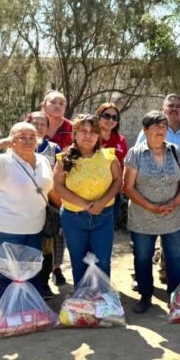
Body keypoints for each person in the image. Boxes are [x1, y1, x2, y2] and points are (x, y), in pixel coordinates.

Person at [0, 122, 52, 305]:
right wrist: (1, 144)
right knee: (7, 270)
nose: (27, 140)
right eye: (21, 137)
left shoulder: (43, 160)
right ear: (12, 140)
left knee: (30, 268)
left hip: (35, 226)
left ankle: (28, 308)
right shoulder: (3, 161)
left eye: (32, 137)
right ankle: (5, 310)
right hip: (8, 227)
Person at [123, 111, 180, 313]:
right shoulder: (135, 154)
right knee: (143, 257)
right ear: (145, 130)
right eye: (156, 126)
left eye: (164, 127)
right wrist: (150, 206)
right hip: (143, 217)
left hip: (172, 215)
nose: (161, 130)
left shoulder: (174, 150)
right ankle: (145, 295)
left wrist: (177, 200)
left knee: (175, 257)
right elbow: (128, 187)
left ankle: (174, 295)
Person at [53, 115, 122, 287]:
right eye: (83, 131)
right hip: (73, 218)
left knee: (102, 261)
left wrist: (101, 203)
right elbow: (58, 187)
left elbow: (118, 181)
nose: (88, 136)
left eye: (93, 132)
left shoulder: (109, 157)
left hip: (103, 216)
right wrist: (85, 205)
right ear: (74, 133)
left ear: (99, 136)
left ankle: (103, 301)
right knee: (78, 262)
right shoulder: (63, 159)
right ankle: (83, 302)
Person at [25, 111, 65, 296]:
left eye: (43, 124)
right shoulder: (18, 147)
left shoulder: (54, 149)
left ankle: (43, 282)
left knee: (47, 245)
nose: (39, 127)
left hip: (49, 206)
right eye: (35, 123)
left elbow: (61, 178)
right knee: (28, 245)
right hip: (23, 207)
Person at [96, 103, 129, 231]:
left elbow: (125, 163)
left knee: (107, 229)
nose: (110, 120)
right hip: (91, 190)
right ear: (98, 116)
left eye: (115, 118)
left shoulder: (120, 140)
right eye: (107, 116)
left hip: (113, 192)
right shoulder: (91, 136)